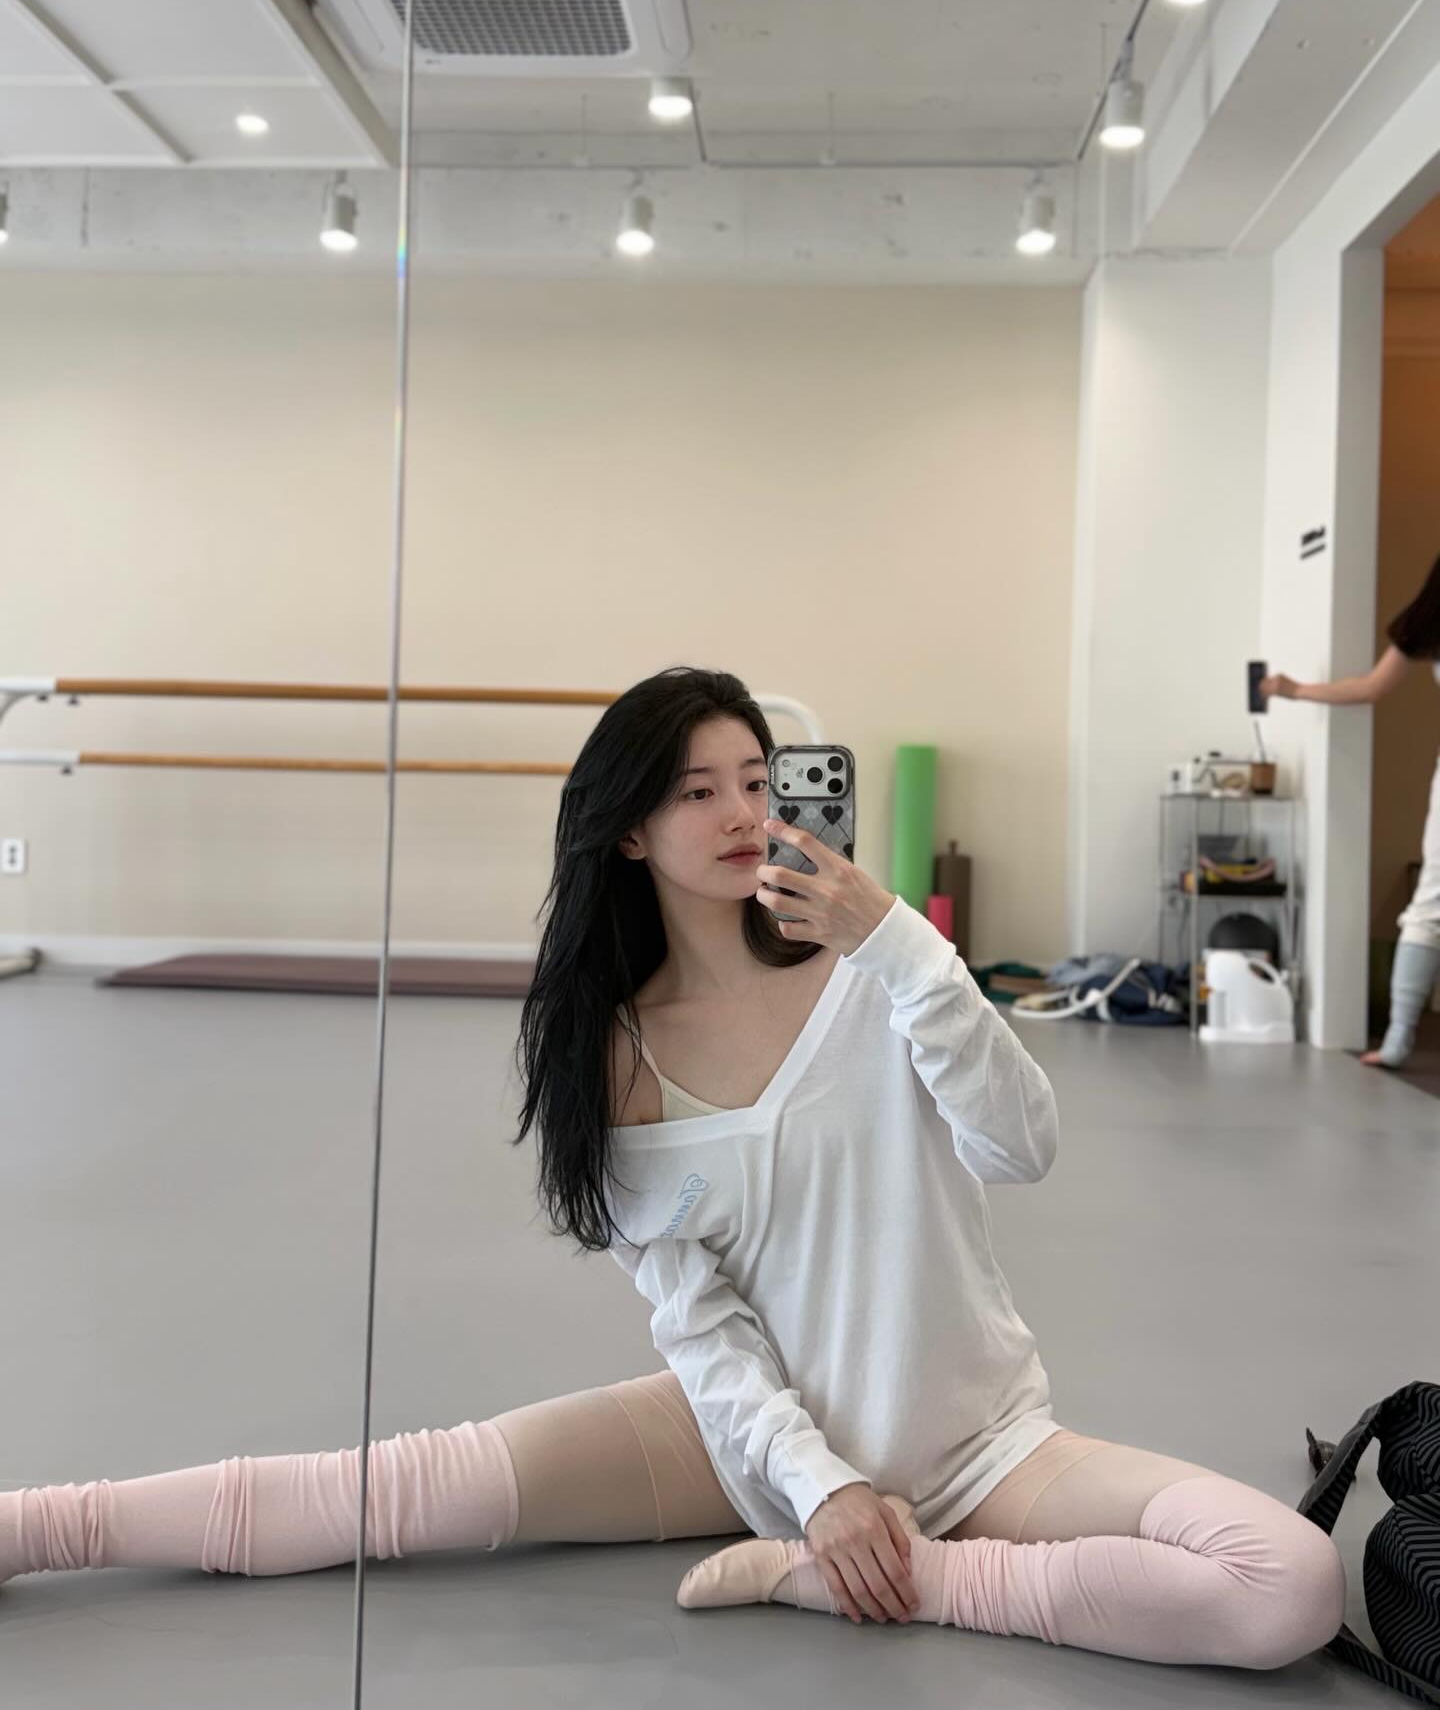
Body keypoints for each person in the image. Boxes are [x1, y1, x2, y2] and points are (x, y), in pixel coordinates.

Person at [0, 668, 1345, 1674]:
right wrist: (819, 1489)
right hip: (746, 1446)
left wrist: (900, 943)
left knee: (1286, 1584)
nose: (742, 812)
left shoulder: (876, 975)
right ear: (632, 832)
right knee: (393, 1490)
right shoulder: (615, 1050)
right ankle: (30, 1528)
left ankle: (889, 1580)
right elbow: (700, 1322)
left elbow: (1021, 1145)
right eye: (697, 790)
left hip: (978, 1448)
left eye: (756, 779)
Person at [1263, 550, 1440, 1067]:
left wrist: (1294, 690)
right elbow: (1370, 687)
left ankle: (1398, 1040)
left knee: (1430, 906)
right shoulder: (1428, 623)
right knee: (1430, 906)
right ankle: (1397, 1039)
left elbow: (1370, 687)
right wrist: (1293, 691)